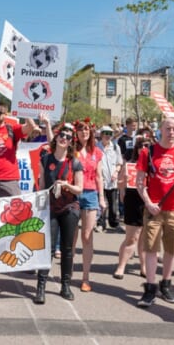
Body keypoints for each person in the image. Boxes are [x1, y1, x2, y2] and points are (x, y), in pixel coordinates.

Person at [135, 115, 174, 308]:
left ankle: (166, 284)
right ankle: (150, 287)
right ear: (161, 129)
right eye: (168, 128)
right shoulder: (148, 152)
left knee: (171, 249)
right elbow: (139, 182)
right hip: (154, 208)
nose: (171, 132)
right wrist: (148, 202)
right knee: (151, 248)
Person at [33, 123, 83, 304]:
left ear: (71, 142)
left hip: (69, 208)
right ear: (56, 137)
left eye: (68, 137)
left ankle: (66, 285)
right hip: (50, 208)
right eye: (62, 135)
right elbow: (42, 184)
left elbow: (79, 189)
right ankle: (41, 287)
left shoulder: (75, 163)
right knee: (48, 248)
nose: (64, 138)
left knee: (67, 249)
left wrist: (67, 185)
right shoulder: (45, 159)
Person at [0, 101, 39, 198]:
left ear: (5, 115)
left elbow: (30, 127)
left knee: (14, 211)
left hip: (10, 180)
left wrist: (25, 110)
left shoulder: (12, 129)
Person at [72, 119, 106, 293]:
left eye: (87, 129)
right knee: (72, 235)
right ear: (76, 132)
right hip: (74, 194)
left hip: (91, 194)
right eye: (80, 129)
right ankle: (67, 271)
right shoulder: (72, 151)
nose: (84, 132)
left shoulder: (97, 152)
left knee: (87, 235)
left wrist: (101, 197)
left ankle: (85, 277)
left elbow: (99, 176)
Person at [113, 136, 151, 280]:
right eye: (141, 145)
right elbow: (119, 185)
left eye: (147, 145)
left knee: (144, 240)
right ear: (137, 148)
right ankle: (121, 266)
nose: (144, 148)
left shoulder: (154, 165)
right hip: (133, 202)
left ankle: (144, 267)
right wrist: (124, 180)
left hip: (149, 204)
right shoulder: (129, 164)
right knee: (131, 238)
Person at [97, 125, 123, 232]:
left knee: (113, 204)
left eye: (110, 134)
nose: (108, 136)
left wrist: (116, 172)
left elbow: (119, 163)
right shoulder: (96, 147)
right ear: (101, 135)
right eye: (105, 134)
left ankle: (113, 223)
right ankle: (100, 223)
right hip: (100, 180)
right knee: (101, 204)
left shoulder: (116, 147)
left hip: (112, 181)